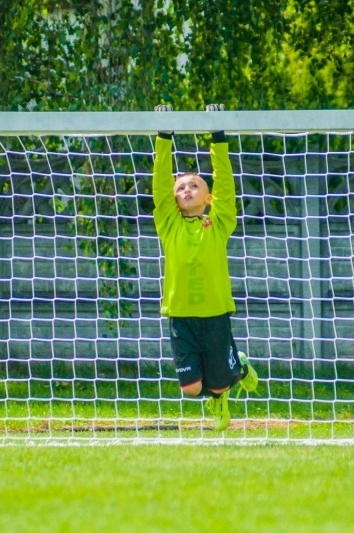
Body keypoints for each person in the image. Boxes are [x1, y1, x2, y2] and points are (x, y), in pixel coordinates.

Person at [152, 103, 258, 431]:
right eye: (180, 187)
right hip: (181, 316)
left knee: (218, 386)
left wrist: (218, 136)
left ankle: (230, 380)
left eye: (194, 185)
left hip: (215, 313)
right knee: (191, 388)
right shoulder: (167, 223)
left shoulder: (220, 221)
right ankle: (235, 368)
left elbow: (225, 187)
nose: (186, 189)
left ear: (207, 197)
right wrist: (164, 135)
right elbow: (159, 183)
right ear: (173, 198)